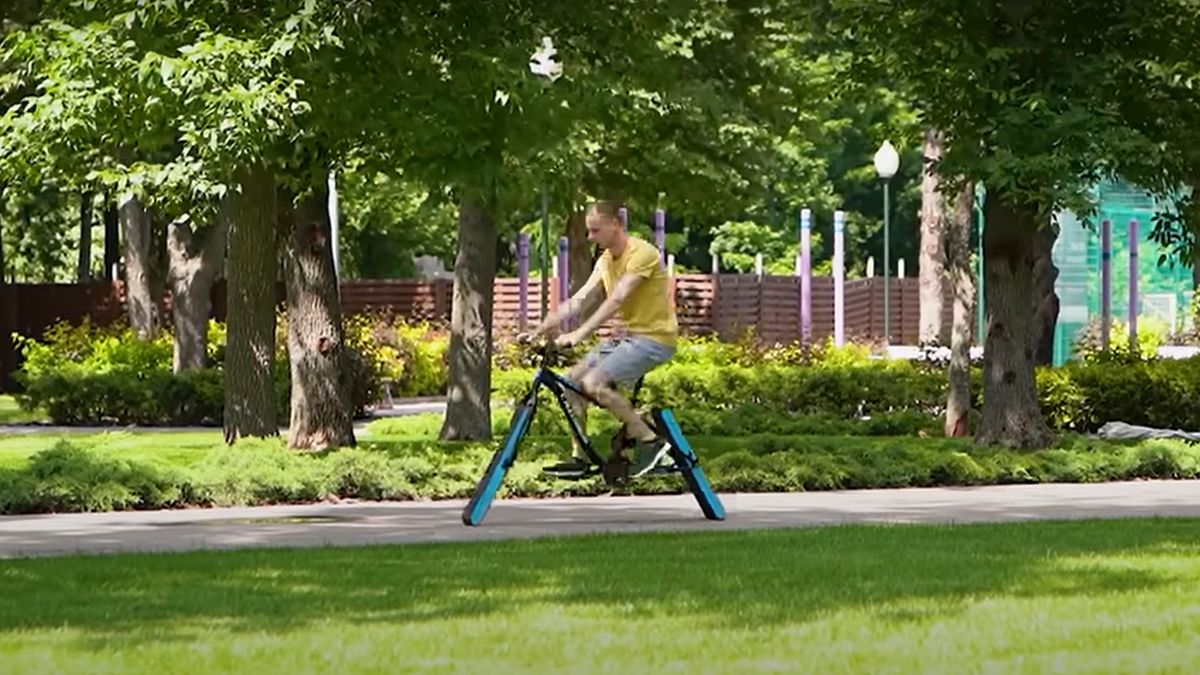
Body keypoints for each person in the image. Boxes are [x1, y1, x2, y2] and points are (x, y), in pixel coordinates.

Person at [534, 200, 678, 478]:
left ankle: (650, 440)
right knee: (571, 384)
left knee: (593, 383)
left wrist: (580, 333)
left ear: (616, 225)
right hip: (628, 339)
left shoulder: (642, 253)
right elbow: (578, 300)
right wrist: (540, 330)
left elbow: (617, 298)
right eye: (589, 232)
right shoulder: (604, 260)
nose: (591, 238)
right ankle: (580, 455)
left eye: (595, 231)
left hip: (655, 340)